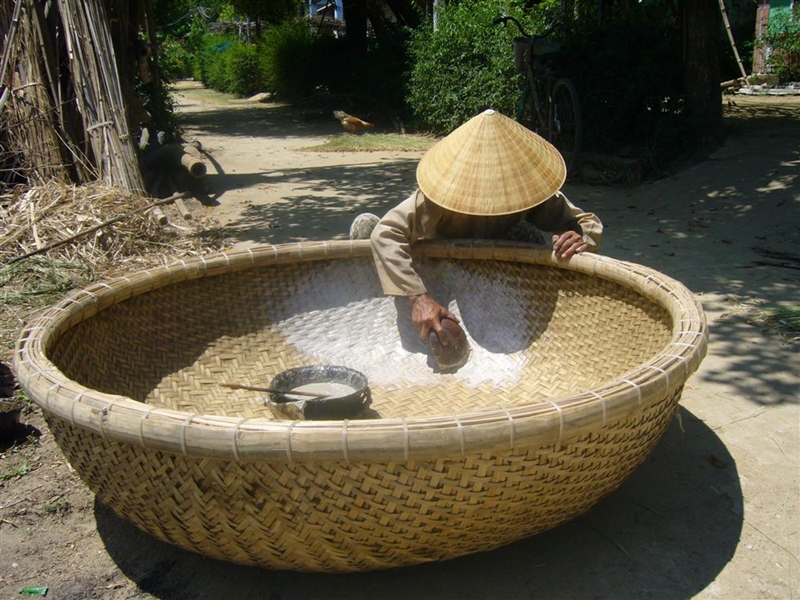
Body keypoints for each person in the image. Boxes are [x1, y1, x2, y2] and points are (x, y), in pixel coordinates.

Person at [364, 108, 603, 345]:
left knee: (528, 236)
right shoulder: (437, 197)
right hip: (439, 259)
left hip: (492, 263)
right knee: (376, 234)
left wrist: (578, 236)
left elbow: (584, 222)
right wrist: (418, 298)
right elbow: (386, 234)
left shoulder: (527, 190)